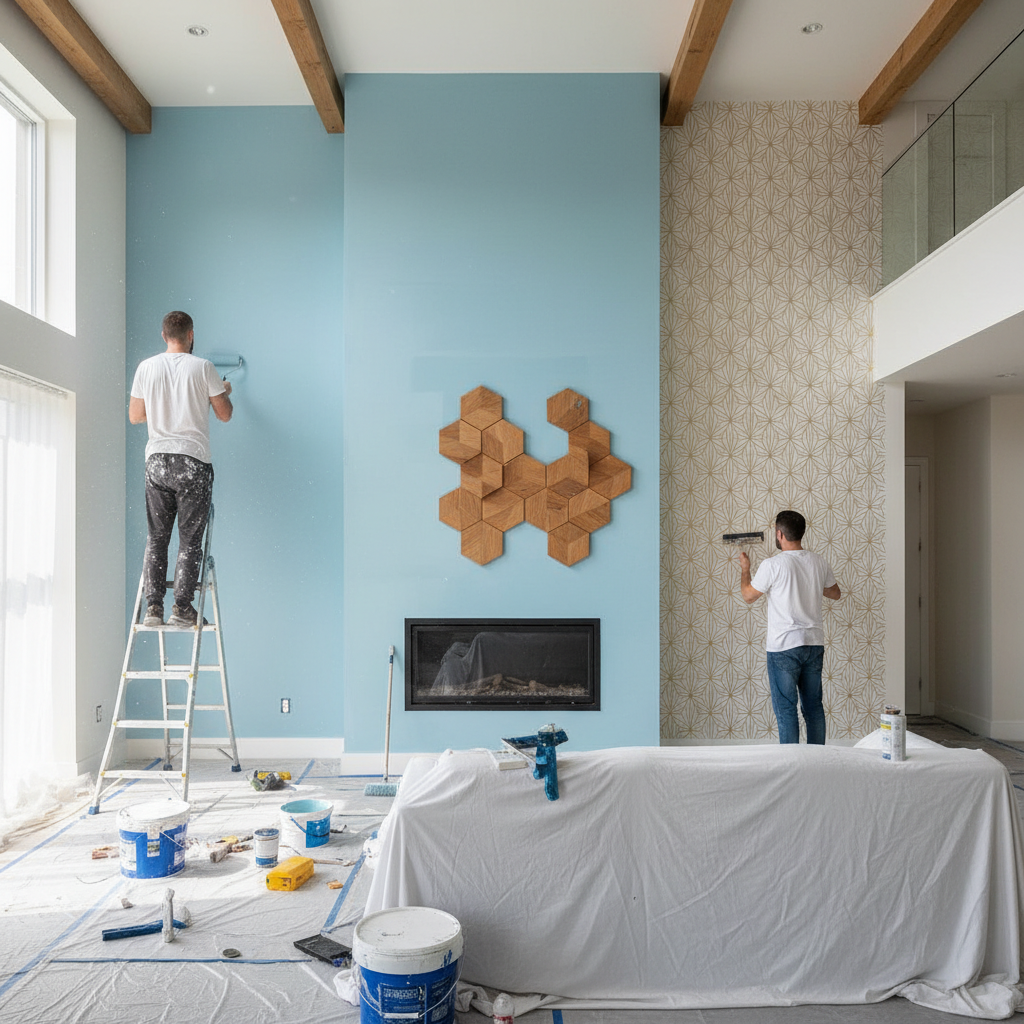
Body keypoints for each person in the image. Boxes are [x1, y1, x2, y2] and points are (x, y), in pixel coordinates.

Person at [129, 311, 233, 628]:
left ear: (164, 335)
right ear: (190, 335)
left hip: (157, 461)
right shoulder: (203, 368)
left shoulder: (146, 368)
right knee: (189, 541)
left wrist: (164, 409)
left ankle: (154, 608)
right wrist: (223, 391)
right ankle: (183, 608)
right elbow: (225, 415)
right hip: (192, 461)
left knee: (157, 538)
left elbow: (136, 416)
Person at [738, 511, 841, 744]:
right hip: (813, 644)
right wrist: (811, 584)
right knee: (813, 707)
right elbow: (835, 593)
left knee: (786, 710)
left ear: (779, 533)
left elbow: (748, 596)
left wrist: (745, 568)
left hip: (783, 647)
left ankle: (792, 767)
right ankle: (817, 763)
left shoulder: (772, 565)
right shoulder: (818, 561)